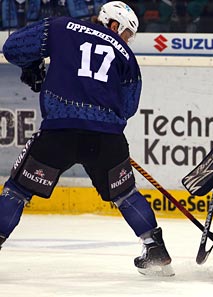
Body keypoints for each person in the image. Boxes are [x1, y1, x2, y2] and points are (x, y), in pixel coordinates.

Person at [0, 1, 174, 277]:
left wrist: (32, 66)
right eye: (127, 33)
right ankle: (154, 248)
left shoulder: (60, 26)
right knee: (126, 194)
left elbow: (12, 48)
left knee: (17, 191)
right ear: (114, 25)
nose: (127, 40)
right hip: (106, 139)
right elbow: (128, 107)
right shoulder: (126, 56)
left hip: (60, 133)